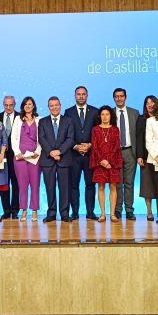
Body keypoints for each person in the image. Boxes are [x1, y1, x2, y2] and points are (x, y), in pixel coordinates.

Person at [38, 96, 75, 222]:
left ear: (60, 106)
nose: (54, 107)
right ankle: (51, 213)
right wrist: (52, 152)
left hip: (64, 159)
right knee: (50, 188)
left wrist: (59, 151)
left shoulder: (68, 121)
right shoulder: (42, 122)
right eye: (51, 105)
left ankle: (64, 214)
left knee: (65, 188)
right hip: (48, 160)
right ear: (49, 108)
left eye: (56, 105)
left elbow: (70, 139)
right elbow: (42, 139)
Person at [65, 86, 99, 220]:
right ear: (75, 96)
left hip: (90, 155)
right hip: (74, 155)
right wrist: (75, 146)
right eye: (78, 94)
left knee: (90, 184)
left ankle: (90, 212)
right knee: (74, 185)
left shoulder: (95, 112)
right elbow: (66, 133)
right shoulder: (68, 112)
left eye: (83, 94)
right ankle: (75, 212)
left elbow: (97, 132)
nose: (81, 96)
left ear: (87, 95)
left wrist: (90, 145)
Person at [90, 106, 123, 222]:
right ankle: (103, 214)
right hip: (99, 163)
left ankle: (112, 214)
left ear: (111, 116)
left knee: (113, 187)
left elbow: (116, 147)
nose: (105, 117)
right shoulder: (95, 129)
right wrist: (102, 161)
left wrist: (109, 161)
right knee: (101, 187)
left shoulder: (115, 129)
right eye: (103, 114)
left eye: (107, 114)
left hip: (112, 163)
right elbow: (95, 147)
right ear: (100, 116)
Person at [11, 96, 42, 221]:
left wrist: (37, 152)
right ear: (23, 106)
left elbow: (42, 138)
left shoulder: (39, 120)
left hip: (35, 157)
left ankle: (34, 211)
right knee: (22, 185)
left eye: (30, 104)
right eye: (25, 104)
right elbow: (13, 137)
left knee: (35, 184)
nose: (28, 106)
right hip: (20, 157)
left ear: (33, 106)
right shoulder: (18, 119)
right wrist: (17, 152)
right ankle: (23, 210)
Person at [112, 88, 140, 221]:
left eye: (121, 96)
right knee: (117, 183)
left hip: (130, 152)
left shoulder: (134, 113)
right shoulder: (109, 114)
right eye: (116, 97)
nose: (119, 99)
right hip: (115, 153)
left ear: (126, 97)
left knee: (129, 183)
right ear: (114, 98)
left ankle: (129, 210)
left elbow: (138, 135)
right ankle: (117, 210)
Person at [135, 95, 158, 221]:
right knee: (147, 185)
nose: (150, 105)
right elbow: (139, 138)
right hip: (146, 156)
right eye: (147, 103)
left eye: (152, 102)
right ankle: (149, 211)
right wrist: (139, 156)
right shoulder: (141, 119)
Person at [1, 96, 20, 219]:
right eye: (6, 105)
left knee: (16, 183)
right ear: (3, 104)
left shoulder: (20, 117)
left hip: (16, 155)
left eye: (11, 105)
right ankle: (6, 210)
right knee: (3, 183)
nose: (8, 107)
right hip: (1, 156)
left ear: (14, 104)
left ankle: (15, 210)